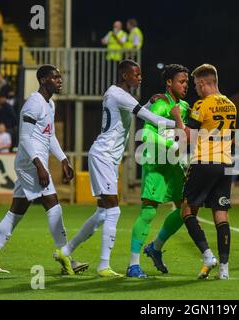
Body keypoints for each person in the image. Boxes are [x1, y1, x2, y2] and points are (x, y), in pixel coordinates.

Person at [56, 59, 176, 277]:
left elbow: (136, 112)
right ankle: (103, 266)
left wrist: (148, 102)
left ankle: (66, 251)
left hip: (107, 157)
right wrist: (180, 124)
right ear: (124, 76)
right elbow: (148, 117)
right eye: (136, 75)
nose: (140, 78)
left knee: (103, 213)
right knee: (113, 210)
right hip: (104, 155)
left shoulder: (118, 94)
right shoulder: (118, 94)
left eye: (140, 74)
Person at [0, 65, 87, 274]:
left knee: (16, 211)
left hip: (35, 163)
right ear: (43, 80)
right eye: (55, 78)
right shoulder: (33, 104)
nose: (59, 81)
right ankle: (66, 258)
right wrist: (40, 166)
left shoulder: (50, 105)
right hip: (30, 164)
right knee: (53, 205)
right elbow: (25, 138)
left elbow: (49, 135)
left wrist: (63, 159)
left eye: (60, 77)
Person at [170, 63, 236, 280]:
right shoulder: (231, 105)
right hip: (226, 163)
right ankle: (224, 270)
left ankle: (208, 256)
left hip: (204, 162)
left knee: (187, 210)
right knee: (221, 214)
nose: (195, 90)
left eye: (197, 85)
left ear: (203, 83)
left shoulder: (202, 105)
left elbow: (187, 137)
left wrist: (178, 117)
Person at [126, 64, 190, 278]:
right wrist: (172, 147)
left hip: (174, 164)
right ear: (169, 82)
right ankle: (133, 265)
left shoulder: (185, 107)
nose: (185, 85)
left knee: (186, 210)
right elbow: (146, 135)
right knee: (149, 210)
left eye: (187, 82)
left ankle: (155, 247)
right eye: (181, 81)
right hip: (155, 162)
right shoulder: (160, 104)